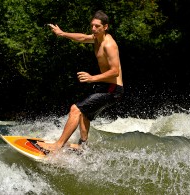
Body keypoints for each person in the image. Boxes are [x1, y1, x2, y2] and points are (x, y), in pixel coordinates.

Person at [37, 10, 124, 152]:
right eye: (92, 26)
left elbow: (115, 71)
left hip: (113, 88)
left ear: (105, 27)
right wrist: (62, 33)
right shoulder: (97, 38)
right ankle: (83, 147)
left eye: (97, 26)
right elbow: (82, 38)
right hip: (106, 86)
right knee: (84, 113)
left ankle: (57, 146)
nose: (93, 29)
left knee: (75, 109)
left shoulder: (109, 45)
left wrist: (92, 78)